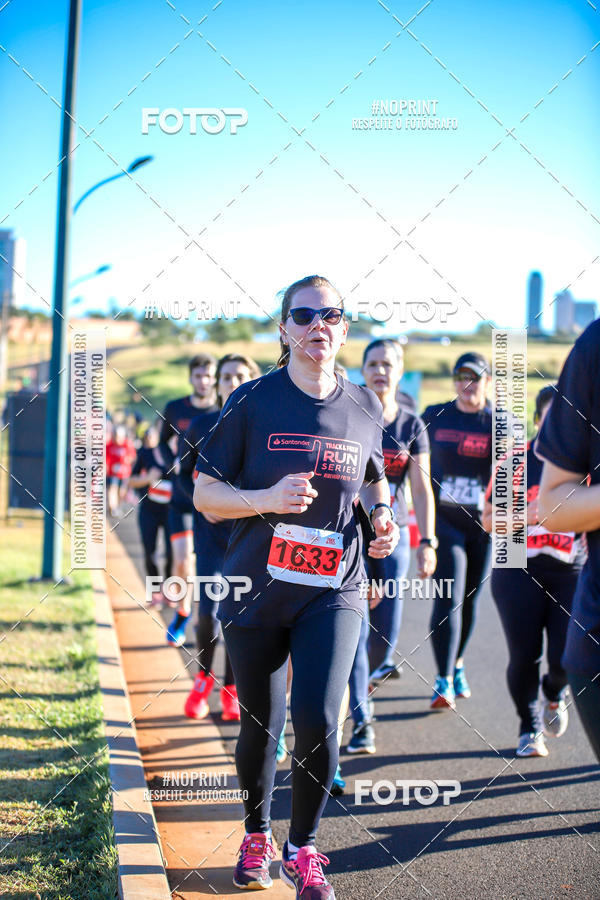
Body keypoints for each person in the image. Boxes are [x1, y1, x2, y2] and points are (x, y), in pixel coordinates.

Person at [194, 275, 399, 898]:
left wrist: (382, 515)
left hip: (333, 586)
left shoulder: (365, 405)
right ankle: (255, 832)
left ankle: (303, 846)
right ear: (283, 329)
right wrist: (265, 499)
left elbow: (372, 477)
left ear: (343, 326)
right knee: (263, 722)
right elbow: (205, 495)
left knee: (316, 717)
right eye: (304, 315)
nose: (319, 326)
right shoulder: (252, 401)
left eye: (331, 315)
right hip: (256, 587)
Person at [483, 386, 586, 757]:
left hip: (568, 570)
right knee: (524, 654)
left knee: (565, 656)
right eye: (550, 417)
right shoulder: (514, 462)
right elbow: (487, 521)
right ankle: (528, 727)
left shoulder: (585, 466)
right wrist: (530, 516)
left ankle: (554, 692)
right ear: (538, 420)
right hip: (516, 567)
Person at [347, 339, 437, 755]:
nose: (380, 371)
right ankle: (363, 721)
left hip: (393, 538)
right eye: (372, 364)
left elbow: (421, 488)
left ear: (400, 372)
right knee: (355, 628)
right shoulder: (348, 412)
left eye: (388, 364)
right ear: (361, 370)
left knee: (384, 638)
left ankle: (357, 684)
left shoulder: (412, 426)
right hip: (349, 539)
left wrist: (428, 541)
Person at [180, 353, 260, 722]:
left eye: (240, 376)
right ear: (217, 381)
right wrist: (205, 505)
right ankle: (203, 679)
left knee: (238, 616)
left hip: (247, 535)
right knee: (209, 614)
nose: (231, 382)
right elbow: (182, 477)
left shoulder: (264, 423)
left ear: (252, 380)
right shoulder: (201, 424)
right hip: (211, 533)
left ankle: (231, 688)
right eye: (226, 376)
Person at [537, 318, 600, 762]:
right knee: (528, 655)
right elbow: (549, 507)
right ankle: (531, 718)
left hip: (571, 564)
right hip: (523, 562)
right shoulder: (595, 345)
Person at [421, 352, 493, 710]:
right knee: (448, 597)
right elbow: (409, 455)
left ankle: (458, 663)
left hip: (483, 526)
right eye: (461, 377)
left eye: (475, 377)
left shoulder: (500, 421)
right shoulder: (435, 415)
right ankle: (443, 678)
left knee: (470, 600)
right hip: (444, 522)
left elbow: (516, 473)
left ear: (488, 381)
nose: (468, 385)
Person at [160, 354, 218, 646]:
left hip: (215, 500)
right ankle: (183, 614)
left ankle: (207, 617)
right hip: (183, 495)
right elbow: (160, 443)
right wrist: (170, 463)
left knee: (213, 567)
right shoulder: (174, 409)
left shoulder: (224, 410)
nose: (204, 381)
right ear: (191, 377)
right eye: (198, 376)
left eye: (209, 375)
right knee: (183, 561)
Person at [128, 422, 174, 606]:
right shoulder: (144, 454)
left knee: (172, 552)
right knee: (150, 551)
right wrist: (148, 478)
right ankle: (155, 591)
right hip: (149, 509)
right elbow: (131, 480)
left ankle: (170, 589)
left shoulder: (176, 455)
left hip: (172, 510)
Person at [106, 423, 136, 517]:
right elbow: (105, 457)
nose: (118, 439)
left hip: (124, 473)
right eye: (116, 436)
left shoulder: (127, 444)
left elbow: (132, 456)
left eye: (120, 437)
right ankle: (113, 508)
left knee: (122, 492)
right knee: (112, 489)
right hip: (113, 473)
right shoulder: (110, 445)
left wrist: (128, 459)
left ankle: (117, 506)